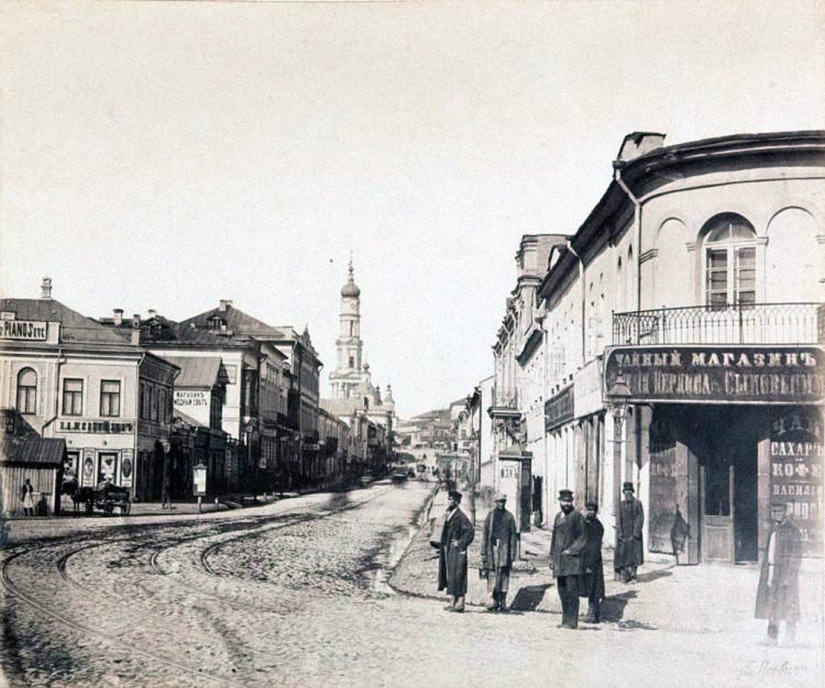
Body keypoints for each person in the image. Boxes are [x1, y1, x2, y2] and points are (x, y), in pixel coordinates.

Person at [755, 502, 802, 647]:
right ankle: (772, 636)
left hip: (785, 575)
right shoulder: (774, 529)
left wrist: (789, 576)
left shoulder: (793, 531)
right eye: (773, 511)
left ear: (786, 512)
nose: (775, 514)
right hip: (772, 571)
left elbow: (796, 556)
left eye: (779, 511)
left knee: (789, 604)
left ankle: (789, 637)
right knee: (772, 602)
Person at [549, 489, 586, 629]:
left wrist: (572, 550)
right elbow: (554, 539)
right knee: (562, 590)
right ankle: (565, 620)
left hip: (572, 561)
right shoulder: (558, 517)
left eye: (569, 501)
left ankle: (572, 621)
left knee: (572, 591)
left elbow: (583, 538)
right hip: (559, 560)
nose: (566, 504)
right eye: (564, 501)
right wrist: (551, 557)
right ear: (559, 501)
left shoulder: (577, 517)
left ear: (572, 502)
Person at [437, 490, 475, 613]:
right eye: (449, 499)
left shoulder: (460, 516)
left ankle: (460, 603)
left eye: (452, 499)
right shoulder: (450, 514)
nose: (449, 501)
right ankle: (453, 601)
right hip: (450, 549)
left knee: (459, 575)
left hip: (458, 551)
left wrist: (460, 543)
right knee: (451, 575)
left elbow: (470, 531)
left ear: (457, 502)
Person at [481, 493, 519, 613]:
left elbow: (513, 536)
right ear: (495, 503)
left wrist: (513, 552)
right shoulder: (490, 516)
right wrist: (484, 552)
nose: (501, 504)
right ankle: (494, 601)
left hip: (504, 549)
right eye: (498, 502)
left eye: (503, 502)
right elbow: (485, 534)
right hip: (492, 549)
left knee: (503, 575)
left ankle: (503, 602)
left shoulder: (509, 517)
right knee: (492, 576)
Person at [580, 501, 606, 623]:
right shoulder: (584, 524)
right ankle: (594, 613)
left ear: (595, 512)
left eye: (592, 510)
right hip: (585, 560)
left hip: (593, 560)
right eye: (588, 510)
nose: (589, 512)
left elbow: (594, 546)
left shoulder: (597, 526)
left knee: (594, 587)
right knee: (589, 587)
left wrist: (589, 564)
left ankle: (593, 614)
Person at [614, 482, 644, 583]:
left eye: (630, 491)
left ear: (632, 492)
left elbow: (640, 518)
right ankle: (625, 576)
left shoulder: (637, 503)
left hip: (635, 533)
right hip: (624, 533)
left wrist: (636, 533)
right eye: (626, 491)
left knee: (635, 555)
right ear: (624, 492)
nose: (628, 493)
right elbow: (618, 520)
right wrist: (620, 533)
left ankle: (634, 575)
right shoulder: (620, 505)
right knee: (624, 554)